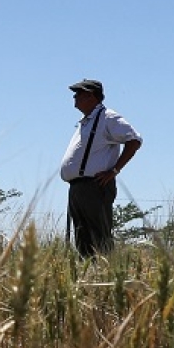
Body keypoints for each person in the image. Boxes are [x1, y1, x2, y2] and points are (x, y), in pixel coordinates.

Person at [59, 79, 142, 257]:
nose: (75, 97)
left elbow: (134, 140)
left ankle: (105, 275)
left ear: (91, 96)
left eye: (79, 93)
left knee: (99, 235)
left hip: (95, 185)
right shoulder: (87, 121)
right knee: (82, 237)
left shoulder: (108, 117)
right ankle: (88, 276)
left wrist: (114, 171)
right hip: (77, 187)